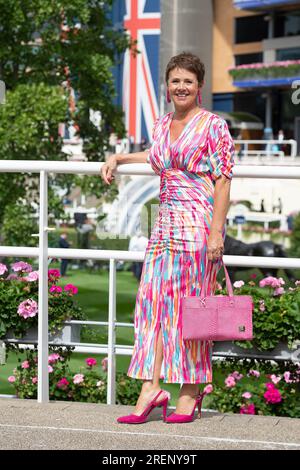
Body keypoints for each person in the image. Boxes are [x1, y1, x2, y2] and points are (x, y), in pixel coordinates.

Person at [100, 52, 235, 424]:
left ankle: (190, 391)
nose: (180, 87)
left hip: (197, 222)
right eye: (175, 80)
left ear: (200, 86)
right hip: (165, 222)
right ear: (167, 86)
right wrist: (119, 157)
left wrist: (216, 233)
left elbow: (223, 180)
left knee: (188, 306)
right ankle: (152, 387)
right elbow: (158, 156)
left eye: (187, 81)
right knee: (151, 300)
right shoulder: (162, 125)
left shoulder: (212, 126)